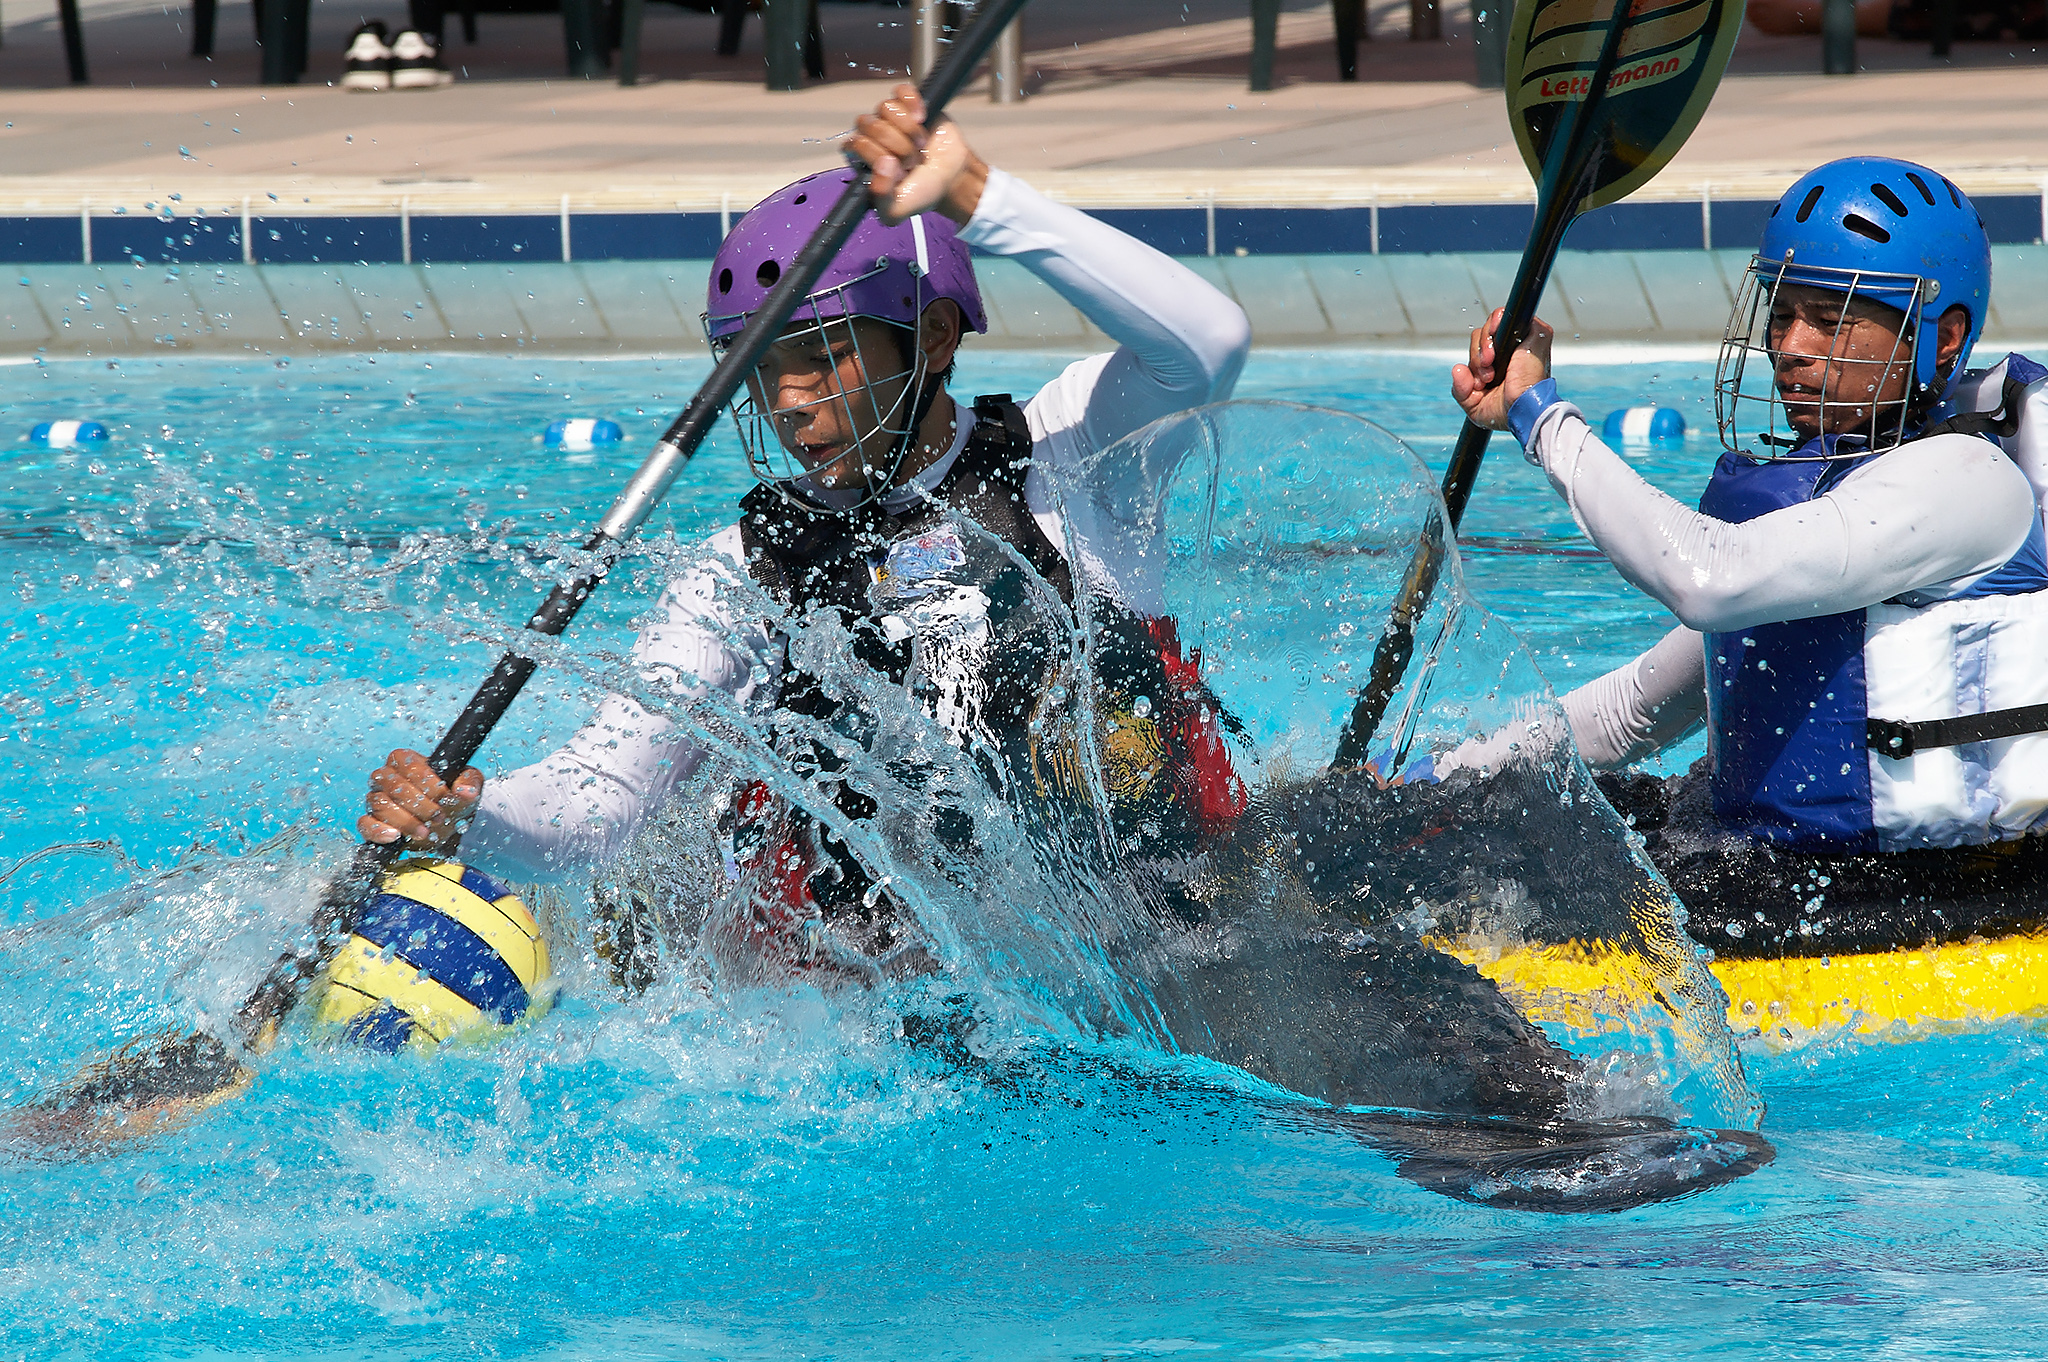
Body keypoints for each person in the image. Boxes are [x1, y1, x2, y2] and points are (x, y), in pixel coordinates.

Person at [356, 86, 1253, 984]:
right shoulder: (742, 572)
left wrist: (980, 197)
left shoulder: (1075, 456)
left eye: (821, 356)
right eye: (763, 367)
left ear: (934, 336)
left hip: (1179, 948)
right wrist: (470, 815)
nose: (787, 402)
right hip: (912, 1007)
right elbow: (604, 804)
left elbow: (1208, 343)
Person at [1443, 155, 2048, 953]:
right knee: (1470, 825)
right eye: (1783, 312)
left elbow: (1708, 581)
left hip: (1917, 890)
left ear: (1945, 341)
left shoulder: (1966, 480)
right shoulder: (1828, 501)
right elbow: (1635, 710)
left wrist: (1539, 414)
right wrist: (1450, 777)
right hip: (1763, 860)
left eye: (1833, 320)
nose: (1791, 347)